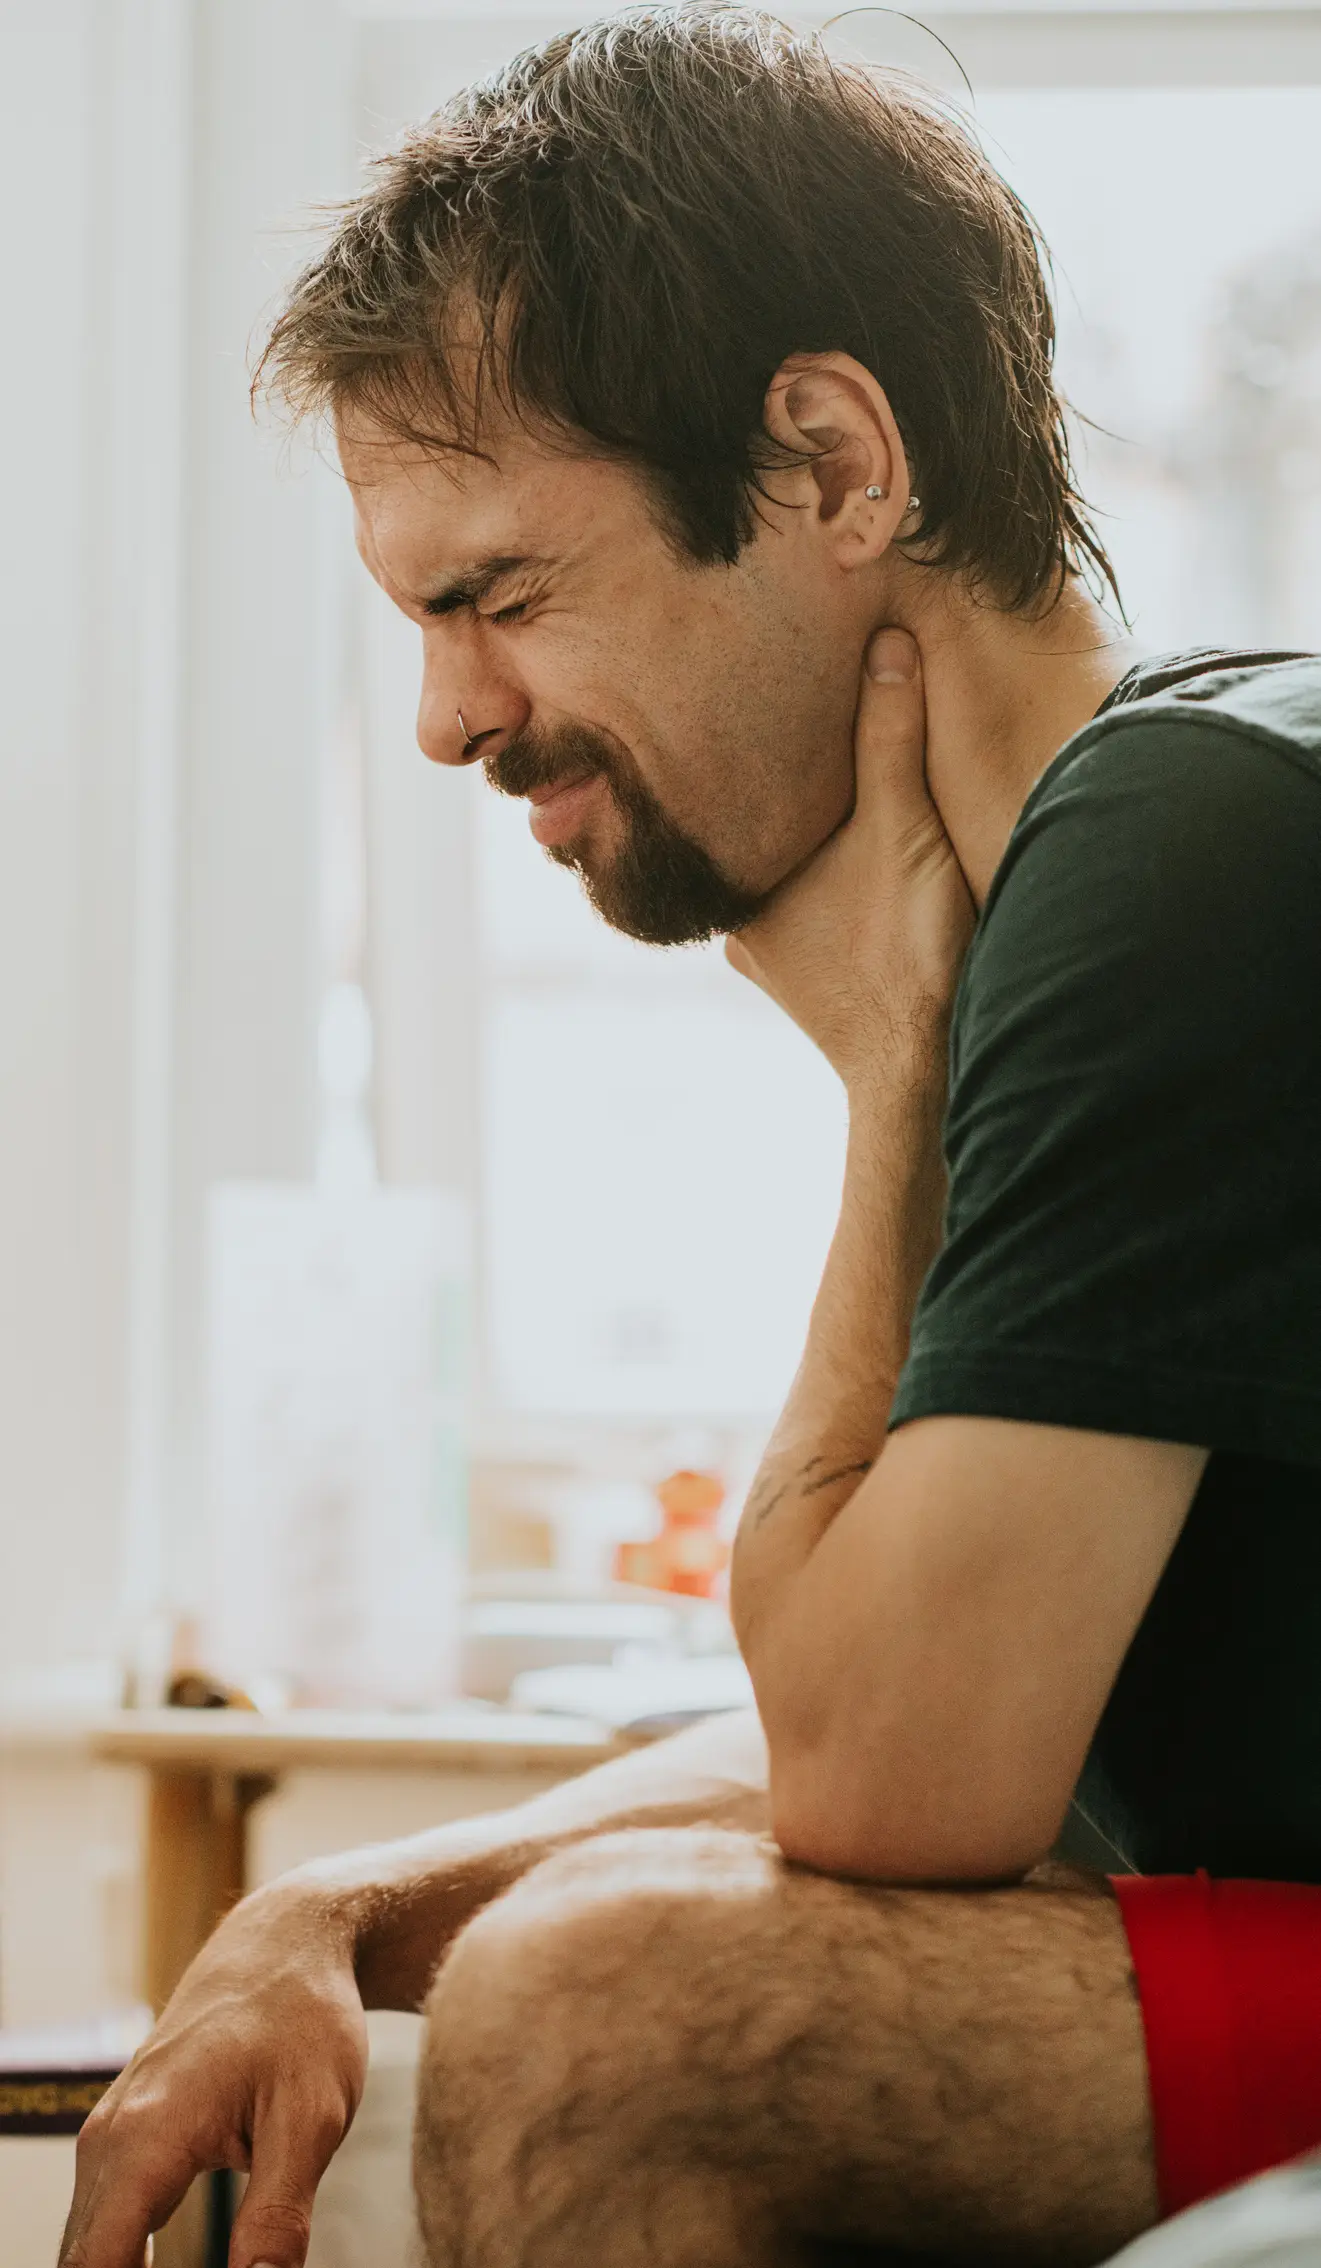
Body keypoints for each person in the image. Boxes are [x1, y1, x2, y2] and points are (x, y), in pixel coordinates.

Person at [59, 11, 1321, 2267]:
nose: (447, 716)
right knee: (579, 1943)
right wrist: (332, 1913)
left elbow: (888, 1774)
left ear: (833, 463)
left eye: (499, 595)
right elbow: (929, 1713)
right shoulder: (1154, 836)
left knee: (614, 2016)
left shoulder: (1176, 853)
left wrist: (891, 1086)